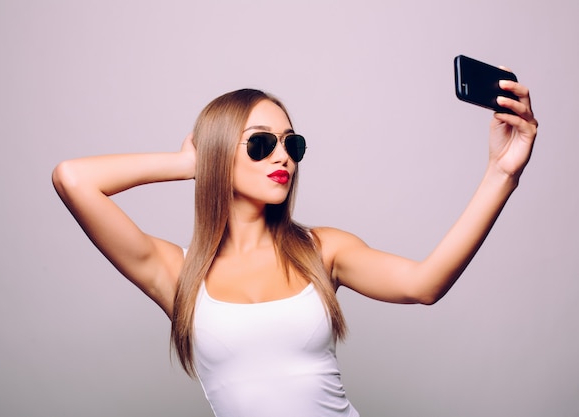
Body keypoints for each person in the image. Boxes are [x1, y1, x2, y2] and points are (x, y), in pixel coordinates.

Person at [52, 82, 537, 416]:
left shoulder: (322, 250)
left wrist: (502, 173)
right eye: (260, 144)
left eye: (291, 143)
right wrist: (186, 162)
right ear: (220, 152)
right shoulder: (177, 275)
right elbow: (73, 179)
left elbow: (424, 284)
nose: (282, 155)